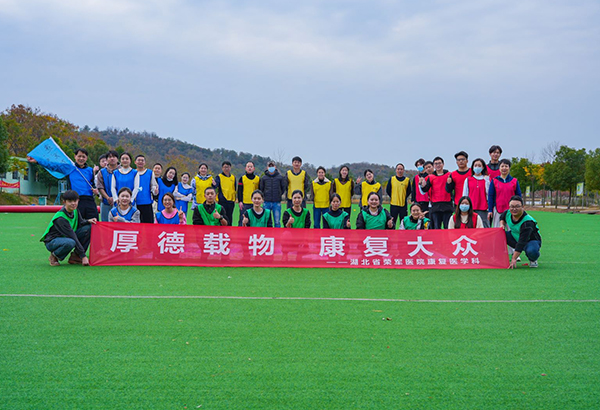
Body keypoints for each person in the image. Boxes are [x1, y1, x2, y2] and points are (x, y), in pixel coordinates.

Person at [28, 147, 99, 220]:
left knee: (94, 223)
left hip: (89, 201)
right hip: (75, 201)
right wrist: (38, 161)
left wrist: (97, 191)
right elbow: (52, 165)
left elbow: (95, 185)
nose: (81, 158)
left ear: (86, 158)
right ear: (75, 156)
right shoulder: (69, 168)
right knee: (76, 224)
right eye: (79, 156)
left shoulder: (91, 170)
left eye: (83, 157)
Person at [41, 190, 96, 266]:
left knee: (89, 228)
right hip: (52, 241)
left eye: (75, 201)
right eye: (70, 201)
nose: (73, 203)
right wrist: (83, 256)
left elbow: (80, 222)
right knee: (71, 242)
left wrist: (88, 221)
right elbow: (72, 236)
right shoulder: (61, 218)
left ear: (78, 200)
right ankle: (54, 256)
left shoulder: (75, 210)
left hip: (66, 237)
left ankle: (75, 256)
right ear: (64, 202)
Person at [500, 196, 542, 268]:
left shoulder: (528, 222)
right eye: (512, 206)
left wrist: (514, 258)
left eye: (517, 206)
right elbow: (502, 217)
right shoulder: (508, 213)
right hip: (514, 237)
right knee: (499, 234)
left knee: (532, 251)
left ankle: (533, 259)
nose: (514, 209)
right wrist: (502, 224)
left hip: (530, 241)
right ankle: (497, 257)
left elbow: (522, 241)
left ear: (523, 207)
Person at [420, 157, 453, 229]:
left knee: (447, 227)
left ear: (443, 164)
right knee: (436, 227)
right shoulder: (431, 177)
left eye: (439, 163)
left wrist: (449, 183)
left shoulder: (449, 175)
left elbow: (451, 189)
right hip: (435, 206)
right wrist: (422, 185)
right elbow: (425, 189)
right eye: (436, 164)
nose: (438, 165)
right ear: (434, 166)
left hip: (447, 205)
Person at [488, 159, 522, 228]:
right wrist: (490, 210)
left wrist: (520, 208)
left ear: (509, 168)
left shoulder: (514, 181)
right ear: (499, 168)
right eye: (502, 166)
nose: (504, 168)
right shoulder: (494, 181)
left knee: (512, 229)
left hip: (512, 210)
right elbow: (490, 196)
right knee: (498, 230)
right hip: (498, 209)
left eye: (506, 166)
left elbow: (519, 196)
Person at [462, 158, 491, 228]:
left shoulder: (486, 179)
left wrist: (487, 181)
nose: (477, 167)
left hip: (483, 207)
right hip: (471, 207)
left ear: (483, 167)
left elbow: (489, 193)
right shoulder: (468, 179)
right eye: (475, 165)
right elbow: (465, 195)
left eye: (479, 165)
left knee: (484, 226)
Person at [259, 161, 286, 228]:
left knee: (277, 221)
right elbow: (261, 188)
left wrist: (279, 194)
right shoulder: (264, 178)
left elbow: (283, 188)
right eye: (269, 166)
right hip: (266, 202)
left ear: (275, 167)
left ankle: (277, 234)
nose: (271, 167)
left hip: (276, 202)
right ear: (267, 167)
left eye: (272, 166)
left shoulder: (280, 177)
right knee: (265, 220)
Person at [132, 154, 158, 223]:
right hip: (134, 203)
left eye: (142, 160)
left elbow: (153, 185)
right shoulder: (132, 172)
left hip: (147, 202)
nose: (140, 162)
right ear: (135, 162)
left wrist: (155, 191)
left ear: (145, 162)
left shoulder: (150, 172)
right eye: (139, 160)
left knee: (148, 223)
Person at [96, 150, 119, 222]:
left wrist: (116, 198)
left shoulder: (122, 171)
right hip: (106, 202)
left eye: (114, 157)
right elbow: (100, 187)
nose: (112, 158)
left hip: (120, 202)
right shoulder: (102, 172)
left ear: (117, 159)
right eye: (109, 157)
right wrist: (108, 198)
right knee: (105, 222)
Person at [386, 163, 411, 227]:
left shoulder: (407, 180)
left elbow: (409, 191)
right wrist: (393, 196)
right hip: (393, 204)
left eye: (401, 169)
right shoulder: (392, 179)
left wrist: (403, 197)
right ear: (396, 170)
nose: (400, 171)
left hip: (403, 205)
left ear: (403, 170)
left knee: (403, 222)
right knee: (392, 222)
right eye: (398, 169)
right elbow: (388, 190)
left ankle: (403, 233)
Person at [237, 161, 260, 226]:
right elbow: (239, 191)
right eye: (248, 166)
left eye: (251, 166)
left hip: (254, 203)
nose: (249, 168)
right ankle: (241, 231)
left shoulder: (257, 179)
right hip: (244, 203)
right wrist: (240, 201)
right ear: (245, 168)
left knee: (254, 220)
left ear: (254, 168)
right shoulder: (242, 178)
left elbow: (259, 191)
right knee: (242, 219)